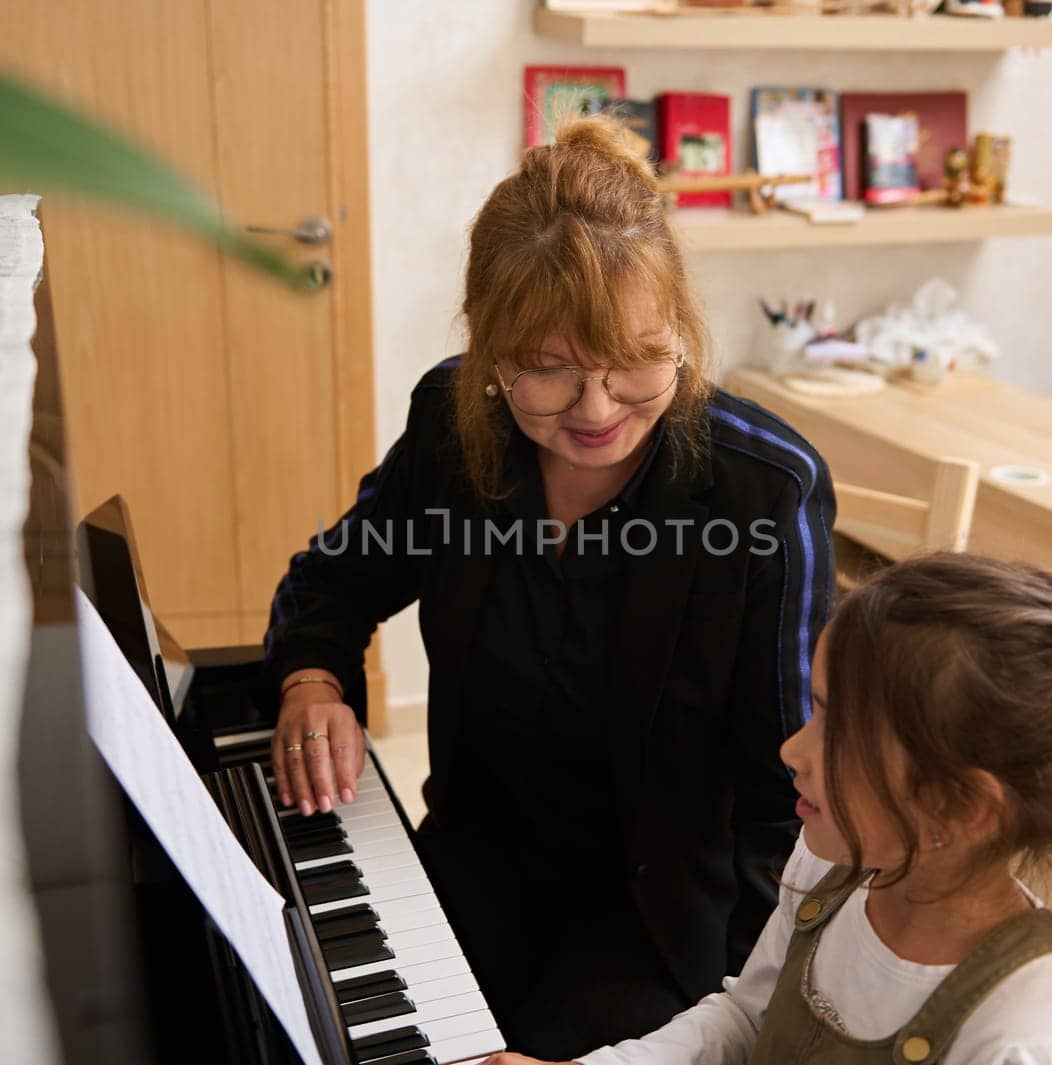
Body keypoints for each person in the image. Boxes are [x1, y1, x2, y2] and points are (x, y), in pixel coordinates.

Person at [262, 114, 837, 1056]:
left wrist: (727, 1032)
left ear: (681, 331)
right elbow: (330, 580)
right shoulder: (454, 434)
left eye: (637, 360)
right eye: (550, 371)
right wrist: (311, 682)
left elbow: (787, 809)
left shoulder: (765, 493)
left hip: (659, 927)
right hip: (478, 869)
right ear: (491, 358)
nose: (599, 409)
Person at [488, 553, 1052, 1065]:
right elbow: (746, 1019)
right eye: (813, 709)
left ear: (962, 805)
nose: (793, 748)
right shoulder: (835, 860)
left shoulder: (1022, 1028)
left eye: (836, 730)